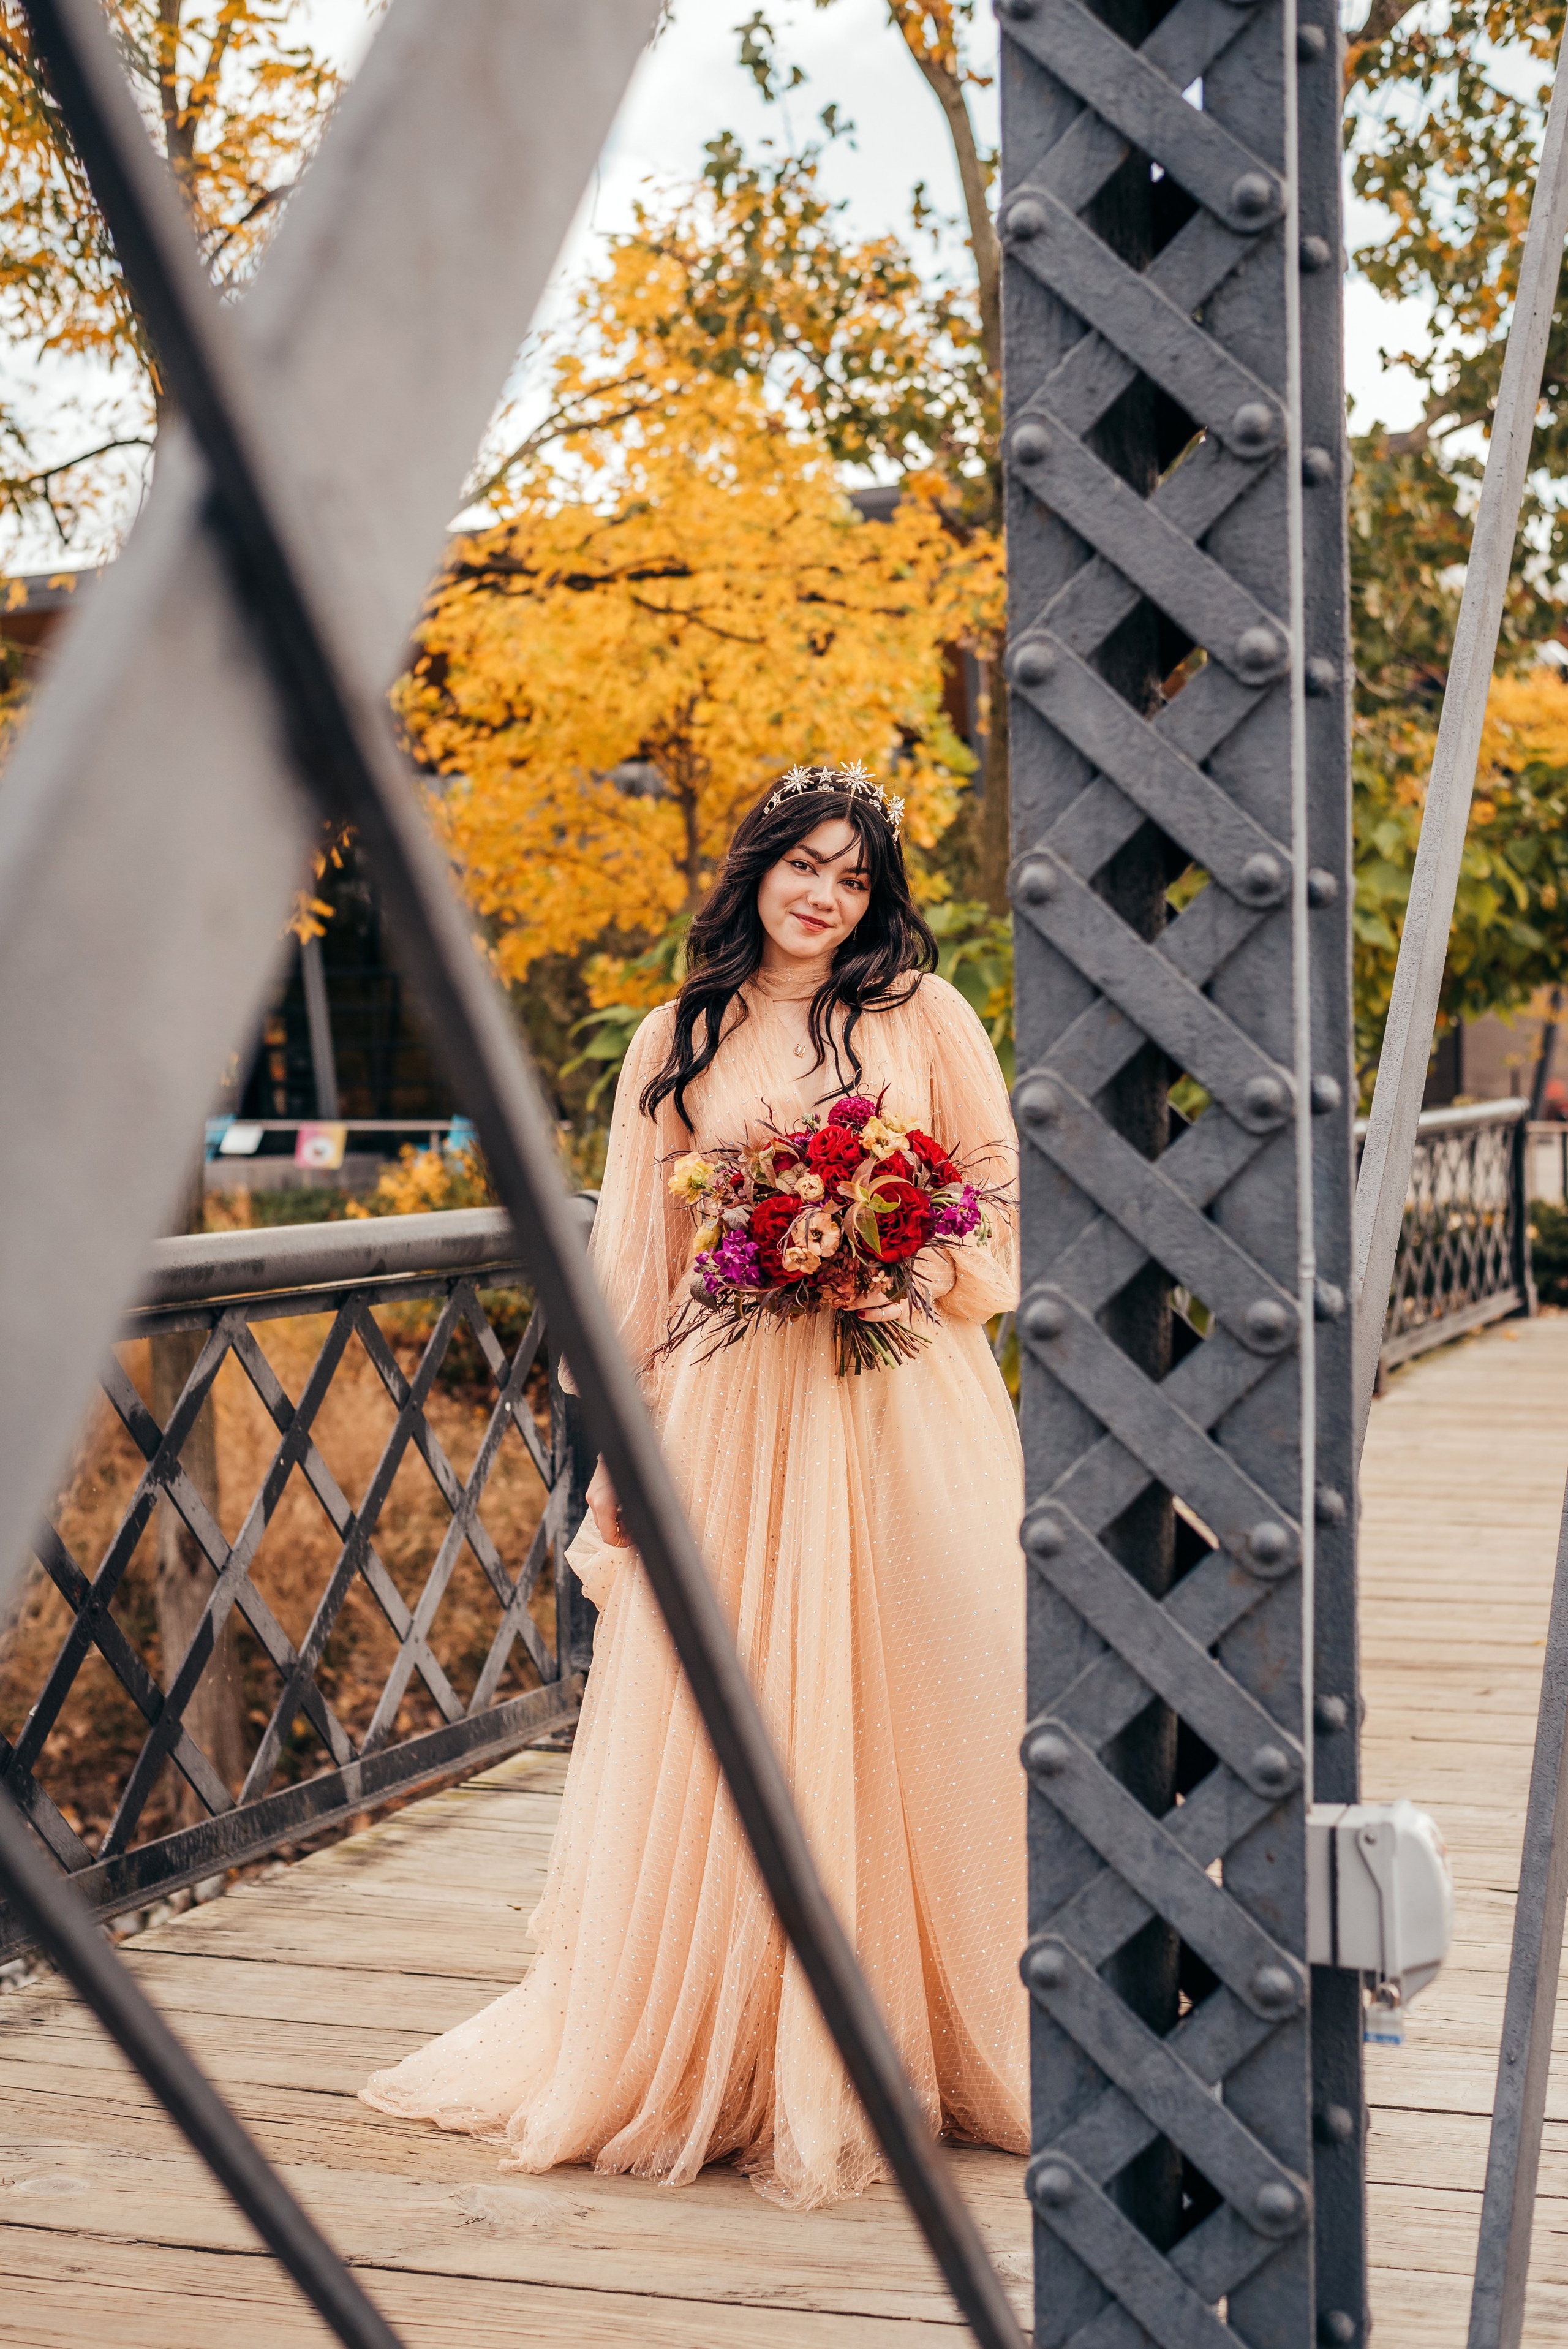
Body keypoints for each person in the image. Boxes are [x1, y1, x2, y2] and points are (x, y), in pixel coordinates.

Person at [362, 763, 1028, 2209]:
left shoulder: (923, 1018)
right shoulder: (679, 1038)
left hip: (898, 1393)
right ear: (757, 870)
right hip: (735, 1418)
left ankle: (923, 2022)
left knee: (927, 1672)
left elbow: (993, 1181)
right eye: (805, 864)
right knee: (746, 1698)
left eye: (853, 878)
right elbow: (641, 1278)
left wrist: (895, 1248)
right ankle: (730, 2044)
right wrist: (624, 1454)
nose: (824, 896)